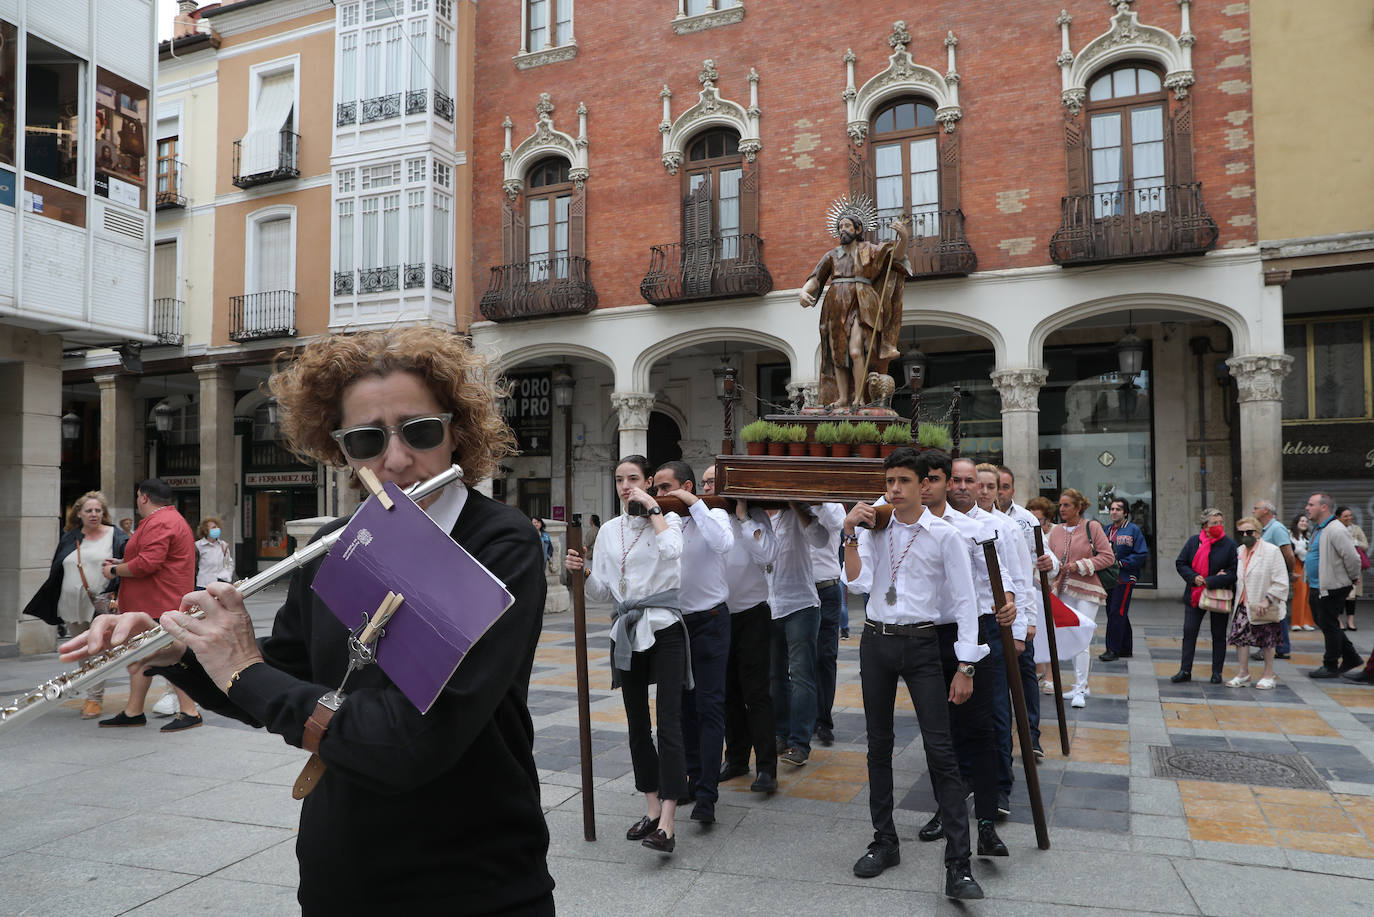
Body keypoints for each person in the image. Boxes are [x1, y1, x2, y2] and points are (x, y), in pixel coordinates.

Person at [67, 327, 554, 913]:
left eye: (420, 431)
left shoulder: (496, 543)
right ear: (341, 449)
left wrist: (245, 668)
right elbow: (282, 675)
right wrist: (182, 652)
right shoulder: (335, 543)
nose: (396, 460)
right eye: (368, 440)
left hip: (473, 875)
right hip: (341, 866)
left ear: (457, 432)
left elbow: (409, 742)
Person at [842, 447, 986, 900]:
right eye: (889, 482)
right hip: (876, 641)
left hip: (923, 643)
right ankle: (884, 840)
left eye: (903, 481)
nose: (894, 490)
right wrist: (850, 533)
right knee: (877, 745)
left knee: (940, 749)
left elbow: (967, 604)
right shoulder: (876, 527)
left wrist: (966, 665)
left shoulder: (945, 535)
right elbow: (857, 583)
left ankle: (958, 864)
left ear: (924, 485)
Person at [568, 454, 687, 854]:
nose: (624, 486)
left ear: (649, 481)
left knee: (669, 721)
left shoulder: (665, 520)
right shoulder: (610, 530)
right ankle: (652, 808)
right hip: (625, 630)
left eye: (633, 478)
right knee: (637, 722)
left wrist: (654, 508)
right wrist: (583, 573)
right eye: (619, 479)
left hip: (665, 627)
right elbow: (604, 592)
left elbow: (673, 552)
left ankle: (669, 822)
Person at [923, 457, 1022, 838]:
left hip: (982, 627)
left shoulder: (988, 527)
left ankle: (995, 793)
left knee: (988, 718)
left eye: (970, 480)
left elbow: (1009, 575)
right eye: (957, 480)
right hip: (934, 632)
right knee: (943, 726)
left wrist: (1013, 607)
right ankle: (947, 804)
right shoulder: (917, 525)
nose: (964, 487)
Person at [652, 460, 733, 825]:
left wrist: (694, 503)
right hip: (674, 625)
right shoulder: (663, 522)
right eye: (656, 489)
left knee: (709, 706)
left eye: (666, 488)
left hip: (711, 621)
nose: (659, 495)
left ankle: (707, 795)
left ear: (686, 486)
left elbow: (723, 543)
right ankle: (691, 777)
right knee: (682, 707)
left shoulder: (714, 515)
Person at [95, 478, 201, 732]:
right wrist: (123, 561)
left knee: (167, 658)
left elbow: (148, 563)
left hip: (157, 604)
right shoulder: (170, 519)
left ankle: (190, 710)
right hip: (159, 601)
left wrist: (114, 569)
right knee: (143, 658)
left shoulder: (160, 521)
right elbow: (155, 560)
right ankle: (134, 711)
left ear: (143, 497)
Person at [703, 466, 780, 794]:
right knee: (727, 692)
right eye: (706, 482)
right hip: (716, 616)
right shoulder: (703, 518)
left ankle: (766, 767)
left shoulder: (756, 516)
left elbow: (767, 555)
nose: (710, 487)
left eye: (715, 482)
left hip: (751, 615)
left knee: (756, 693)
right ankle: (735, 758)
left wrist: (743, 515)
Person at [22, 491, 128, 718]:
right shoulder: (70, 538)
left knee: (97, 650)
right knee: (83, 652)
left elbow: (125, 567)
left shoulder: (115, 536)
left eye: (98, 510)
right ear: (78, 513)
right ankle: (91, 693)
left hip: (101, 604)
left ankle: (94, 698)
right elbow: (58, 570)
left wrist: (119, 593)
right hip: (71, 604)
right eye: (89, 510)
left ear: (104, 513)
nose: (94, 514)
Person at [799, 198, 911, 409]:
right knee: (837, 354)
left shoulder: (870, 249)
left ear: (858, 229)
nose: (843, 230)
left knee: (855, 351)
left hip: (862, 302)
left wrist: (903, 237)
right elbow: (815, 278)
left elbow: (896, 256)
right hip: (835, 304)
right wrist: (803, 292)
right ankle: (842, 398)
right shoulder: (832, 255)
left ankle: (859, 397)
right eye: (840, 227)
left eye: (847, 226)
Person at [995, 466, 1055, 757]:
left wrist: (1048, 563)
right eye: (997, 486)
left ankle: (1031, 736)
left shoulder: (1025, 519)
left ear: (1012, 490)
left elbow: (1047, 556)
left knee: (1025, 673)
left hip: (1020, 607)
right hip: (990, 611)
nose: (1000, 492)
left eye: (1005, 486)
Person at [1034, 489, 1114, 705]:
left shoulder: (1092, 527)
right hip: (1062, 590)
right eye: (1060, 505)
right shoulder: (1057, 531)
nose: (1062, 509)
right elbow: (1048, 558)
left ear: (1078, 507)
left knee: (1082, 635)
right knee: (1064, 636)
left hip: (1088, 590)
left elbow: (1108, 557)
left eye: (1067, 505)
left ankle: (1079, 689)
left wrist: (1080, 565)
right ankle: (1081, 685)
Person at [766, 503, 830, 767]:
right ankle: (780, 734)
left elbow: (821, 539)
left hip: (800, 605)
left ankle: (799, 742)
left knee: (802, 674)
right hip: (767, 606)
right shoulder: (753, 514)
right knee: (774, 676)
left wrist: (795, 504)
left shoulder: (795, 513)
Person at [1169, 508, 1239, 685]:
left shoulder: (1229, 545)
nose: (1219, 526)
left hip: (1218, 595)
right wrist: (1193, 577)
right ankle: (1185, 670)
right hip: (1194, 594)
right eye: (1215, 523)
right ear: (1205, 526)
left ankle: (1217, 672)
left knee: (1218, 634)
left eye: (1221, 522)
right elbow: (1181, 563)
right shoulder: (1194, 542)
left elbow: (1233, 572)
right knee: (1189, 632)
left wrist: (1210, 581)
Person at [1304, 493, 1363, 679]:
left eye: (1311, 504)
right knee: (1325, 622)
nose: (1307, 508)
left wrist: (1353, 577)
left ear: (1324, 507)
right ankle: (1351, 656)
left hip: (1332, 586)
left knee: (1329, 624)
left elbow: (1353, 557)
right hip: (1317, 586)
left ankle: (1330, 665)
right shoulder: (1318, 528)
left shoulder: (1336, 529)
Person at [1226, 516, 1289, 690]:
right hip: (1243, 602)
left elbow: (1281, 581)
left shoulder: (1272, 551)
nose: (1245, 535)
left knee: (1268, 640)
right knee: (1240, 639)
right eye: (1242, 532)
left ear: (1258, 533)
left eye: (1249, 532)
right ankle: (1243, 673)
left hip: (1264, 604)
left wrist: (1267, 600)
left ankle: (1269, 675)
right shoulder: (1239, 551)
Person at [809, 502, 846, 747]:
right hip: (797, 590)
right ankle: (802, 717)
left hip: (826, 589)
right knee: (799, 659)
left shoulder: (833, 506)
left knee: (825, 656)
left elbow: (837, 522)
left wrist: (819, 498)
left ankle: (823, 719)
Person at [1100, 497, 1148, 663]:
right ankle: (1125, 648)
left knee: (1116, 611)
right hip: (1109, 578)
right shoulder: (1106, 530)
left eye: (1118, 509)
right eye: (1112, 509)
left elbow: (1141, 554)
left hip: (1126, 577)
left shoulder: (1133, 530)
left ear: (1125, 513)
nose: (1114, 512)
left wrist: (1122, 563)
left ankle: (1112, 649)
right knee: (1115, 612)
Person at [1250, 500, 1297, 661]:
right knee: (1272, 613)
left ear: (1265, 511)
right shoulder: (1264, 529)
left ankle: (1278, 647)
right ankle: (1276, 646)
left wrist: (1288, 573)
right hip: (1265, 577)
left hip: (1274, 578)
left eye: (1256, 508)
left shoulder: (1277, 529)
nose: (1253, 510)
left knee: (1275, 612)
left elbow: (1289, 554)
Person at [1337, 506, 1368, 631]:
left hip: (1354, 567)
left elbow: (1365, 545)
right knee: (1339, 595)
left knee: (1352, 596)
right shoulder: (1335, 529)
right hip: (1339, 567)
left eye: (1350, 515)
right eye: (1345, 516)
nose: (1349, 518)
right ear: (1338, 517)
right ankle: (1338, 620)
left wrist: (1356, 542)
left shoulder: (1356, 529)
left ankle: (1350, 621)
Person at [1290, 514, 1315, 631]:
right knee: (1300, 592)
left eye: (1306, 521)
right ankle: (1296, 622)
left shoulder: (1308, 537)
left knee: (1308, 594)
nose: (1304, 523)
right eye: (1301, 521)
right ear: (1296, 522)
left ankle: (1307, 621)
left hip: (1307, 566)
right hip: (1297, 565)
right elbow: (1293, 551)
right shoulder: (1290, 536)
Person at [194, 517, 235, 588]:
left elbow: (227, 563)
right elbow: (194, 565)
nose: (217, 529)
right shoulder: (198, 546)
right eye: (213, 527)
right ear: (206, 531)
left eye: (217, 527)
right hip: (203, 584)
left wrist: (227, 575)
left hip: (221, 584)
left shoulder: (223, 545)